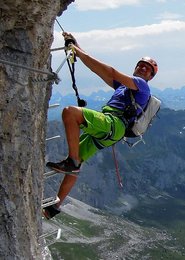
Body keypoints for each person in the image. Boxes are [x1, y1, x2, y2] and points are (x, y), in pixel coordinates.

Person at [43, 33, 158, 219]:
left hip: (113, 124)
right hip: (113, 131)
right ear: (136, 67)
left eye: (148, 69)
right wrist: (76, 46)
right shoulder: (125, 87)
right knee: (78, 158)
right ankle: (55, 206)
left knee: (70, 113)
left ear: (151, 77)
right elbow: (99, 70)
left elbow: (111, 71)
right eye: (141, 65)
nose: (143, 69)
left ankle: (70, 162)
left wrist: (77, 53)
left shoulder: (141, 86)